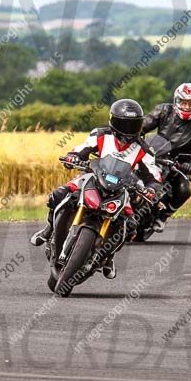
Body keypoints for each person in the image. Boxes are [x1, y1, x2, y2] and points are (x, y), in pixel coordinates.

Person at [29, 99, 162, 279]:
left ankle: (109, 256)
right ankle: (48, 230)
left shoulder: (145, 150)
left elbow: (153, 176)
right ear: (113, 121)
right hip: (93, 178)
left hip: (122, 189)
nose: (128, 129)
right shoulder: (100, 134)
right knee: (58, 195)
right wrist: (73, 157)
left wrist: (152, 189)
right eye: (124, 123)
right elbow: (81, 150)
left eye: (134, 124)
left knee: (130, 226)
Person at [142, 83, 191, 232]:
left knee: (184, 190)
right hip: (154, 154)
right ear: (176, 101)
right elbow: (145, 124)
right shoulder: (163, 111)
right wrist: (135, 134)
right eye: (184, 102)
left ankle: (163, 216)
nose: (186, 106)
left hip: (178, 164)